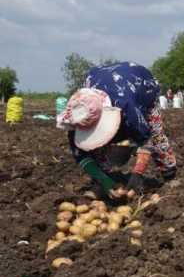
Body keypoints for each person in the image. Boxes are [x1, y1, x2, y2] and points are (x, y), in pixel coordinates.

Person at [56, 62, 177, 200]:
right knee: (94, 148)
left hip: (140, 83)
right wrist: (103, 179)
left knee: (156, 133)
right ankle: (106, 178)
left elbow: (146, 139)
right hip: (100, 81)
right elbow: (80, 154)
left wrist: (137, 174)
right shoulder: (76, 117)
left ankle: (169, 172)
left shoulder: (128, 108)